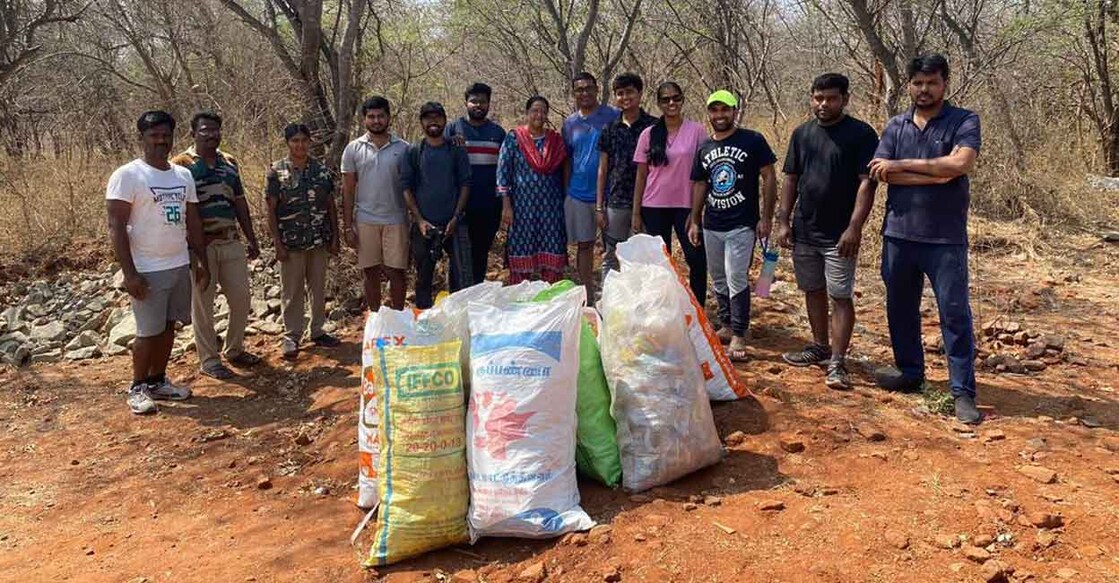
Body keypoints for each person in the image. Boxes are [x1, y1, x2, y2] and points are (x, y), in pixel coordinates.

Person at [867, 53, 982, 424]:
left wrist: (901, 165)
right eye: (918, 83)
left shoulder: (963, 120)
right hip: (899, 233)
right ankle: (911, 373)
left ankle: (962, 391)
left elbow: (960, 165)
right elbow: (880, 174)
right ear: (909, 84)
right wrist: (935, 173)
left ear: (945, 83)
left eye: (931, 83)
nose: (924, 89)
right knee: (900, 308)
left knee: (954, 313)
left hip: (945, 237)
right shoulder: (896, 126)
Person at [776, 73, 879, 391]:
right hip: (805, 229)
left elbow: (868, 182)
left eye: (831, 98)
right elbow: (791, 179)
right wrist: (783, 220)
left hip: (839, 235)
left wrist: (854, 227)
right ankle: (819, 346)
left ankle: (837, 360)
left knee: (840, 294)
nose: (823, 104)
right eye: (818, 98)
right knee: (812, 289)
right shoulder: (802, 134)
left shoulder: (861, 134)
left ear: (845, 99)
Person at [106, 110, 209, 414]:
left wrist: (201, 261)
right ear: (142, 138)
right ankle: (137, 387)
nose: (161, 141)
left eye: (165, 135)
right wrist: (130, 274)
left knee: (168, 327)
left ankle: (158, 381)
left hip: (178, 264)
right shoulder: (128, 175)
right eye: (154, 136)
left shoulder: (183, 175)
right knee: (147, 332)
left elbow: (193, 220)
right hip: (147, 269)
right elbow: (116, 226)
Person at [688, 90, 777, 362]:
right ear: (709, 114)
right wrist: (694, 219)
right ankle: (726, 324)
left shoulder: (752, 140)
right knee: (718, 277)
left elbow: (769, 176)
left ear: (735, 111)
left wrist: (767, 217)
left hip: (742, 223)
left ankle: (739, 332)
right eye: (714, 110)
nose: (720, 115)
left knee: (736, 275)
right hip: (712, 223)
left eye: (725, 110)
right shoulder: (705, 147)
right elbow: (701, 183)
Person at [171, 112, 261, 380]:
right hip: (200, 247)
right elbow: (181, 210)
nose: (211, 135)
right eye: (205, 130)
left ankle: (234, 349)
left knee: (242, 299)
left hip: (230, 241)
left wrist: (251, 237)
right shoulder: (180, 165)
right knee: (203, 305)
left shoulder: (229, 162)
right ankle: (209, 360)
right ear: (193, 133)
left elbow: (240, 202)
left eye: (215, 130)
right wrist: (191, 251)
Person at [265, 123, 341, 359]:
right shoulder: (276, 172)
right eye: (295, 141)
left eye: (303, 140)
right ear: (287, 143)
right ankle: (291, 336)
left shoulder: (321, 171)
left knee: (318, 288)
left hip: (318, 240)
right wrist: (277, 243)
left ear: (310, 142)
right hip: (291, 243)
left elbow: (330, 205)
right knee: (292, 291)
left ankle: (317, 330)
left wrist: (335, 237)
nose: (300, 145)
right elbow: (270, 210)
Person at [633, 81, 708, 304]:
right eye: (665, 99)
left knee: (696, 259)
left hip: (686, 205)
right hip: (654, 205)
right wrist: (636, 212)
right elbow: (641, 175)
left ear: (682, 99)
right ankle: (662, 309)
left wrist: (699, 210)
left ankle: (698, 310)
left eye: (676, 97)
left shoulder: (697, 131)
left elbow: (704, 173)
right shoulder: (649, 134)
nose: (671, 103)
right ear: (658, 103)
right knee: (659, 262)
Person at [400, 101, 472, 309]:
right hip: (424, 227)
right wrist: (420, 220)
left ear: (444, 120)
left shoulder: (456, 150)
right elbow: (406, 187)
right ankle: (423, 322)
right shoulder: (414, 151)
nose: (433, 122)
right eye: (428, 118)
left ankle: (459, 322)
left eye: (437, 117)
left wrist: (456, 218)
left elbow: (465, 184)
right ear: (421, 122)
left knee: (462, 277)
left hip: (455, 224)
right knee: (423, 279)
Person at [341, 96, 410, 311]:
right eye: (371, 116)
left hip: (396, 219)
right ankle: (376, 319)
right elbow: (348, 189)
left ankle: (397, 321)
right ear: (364, 120)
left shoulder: (404, 148)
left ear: (389, 118)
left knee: (396, 271)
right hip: (365, 220)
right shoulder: (353, 149)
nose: (376, 120)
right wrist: (347, 225)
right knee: (370, 272)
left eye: (381, 116)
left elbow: (411, 188)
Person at [497, 96, 569, 283]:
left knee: (552, 255)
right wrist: (506, 205)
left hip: (551, 209)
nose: (539, 115)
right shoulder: (514, 138)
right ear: (527, 113)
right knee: (521, 256)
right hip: (522, 209)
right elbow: (503, 172)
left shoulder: (556, 141)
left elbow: (566, 172)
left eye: (543, 111)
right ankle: (520, 302)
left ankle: (551, 301)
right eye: (535, 110)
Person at [596, 72, 656, 283]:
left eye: (629, 92)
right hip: (617, 202)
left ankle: (642, 308)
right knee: (612, 257)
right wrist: (599, 207)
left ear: (640, 93)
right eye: (620, 93)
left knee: (645, 259)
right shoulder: (609, 129)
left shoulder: (654, 127)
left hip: (650, 202)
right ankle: (609, 305)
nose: (625, 97)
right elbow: (603, 170)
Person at [445, 82, 506, 284]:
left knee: (480, 253)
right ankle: (456, 299)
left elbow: (505, 170)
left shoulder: (498, 133)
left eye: (482, 102)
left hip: (489, 205)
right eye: (474, 101)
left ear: (489, 104)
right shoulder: (453, 129)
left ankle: (476, 297)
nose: (478, 105)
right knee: (458, 256)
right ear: (466, 103)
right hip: (459, 207)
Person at [563, 72, 618, 293]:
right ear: (574, 93)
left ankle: (613, 296)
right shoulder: (569, 123)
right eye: (579, 89)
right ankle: (586, 294)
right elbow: (567, 158)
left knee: (614, 248)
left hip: (610, 194)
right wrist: (566, 190)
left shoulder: (612, 115)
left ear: (597, 89)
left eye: (588, 88)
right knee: (584, 246)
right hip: (578, 194)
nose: (584, 93)